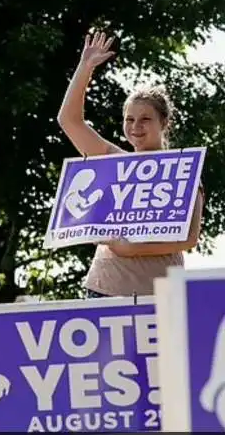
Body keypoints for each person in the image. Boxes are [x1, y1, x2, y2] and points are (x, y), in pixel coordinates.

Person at [57, 31, 205, 298]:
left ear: (164, 123)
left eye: (145, 119)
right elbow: (69, 120)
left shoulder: (182, 171)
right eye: (129, 119)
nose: (136, 127)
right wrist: (85, 67)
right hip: (102, 290)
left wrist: (130, 248)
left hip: (160, 295)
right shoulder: (113, 161)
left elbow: (189, 238)